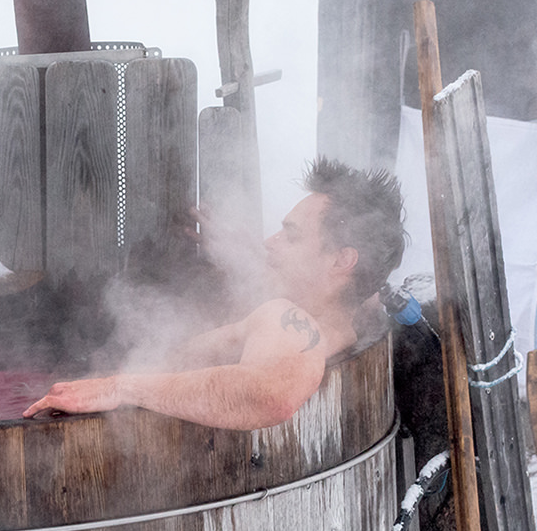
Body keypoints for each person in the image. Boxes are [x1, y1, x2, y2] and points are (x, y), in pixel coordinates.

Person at [23, 159, 406, 431]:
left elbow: (270, 394)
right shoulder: (354, 315)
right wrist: (250, 252)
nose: (270, 242)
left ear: (342, 261)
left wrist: (119, 387)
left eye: (291, 235)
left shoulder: (289, 320)